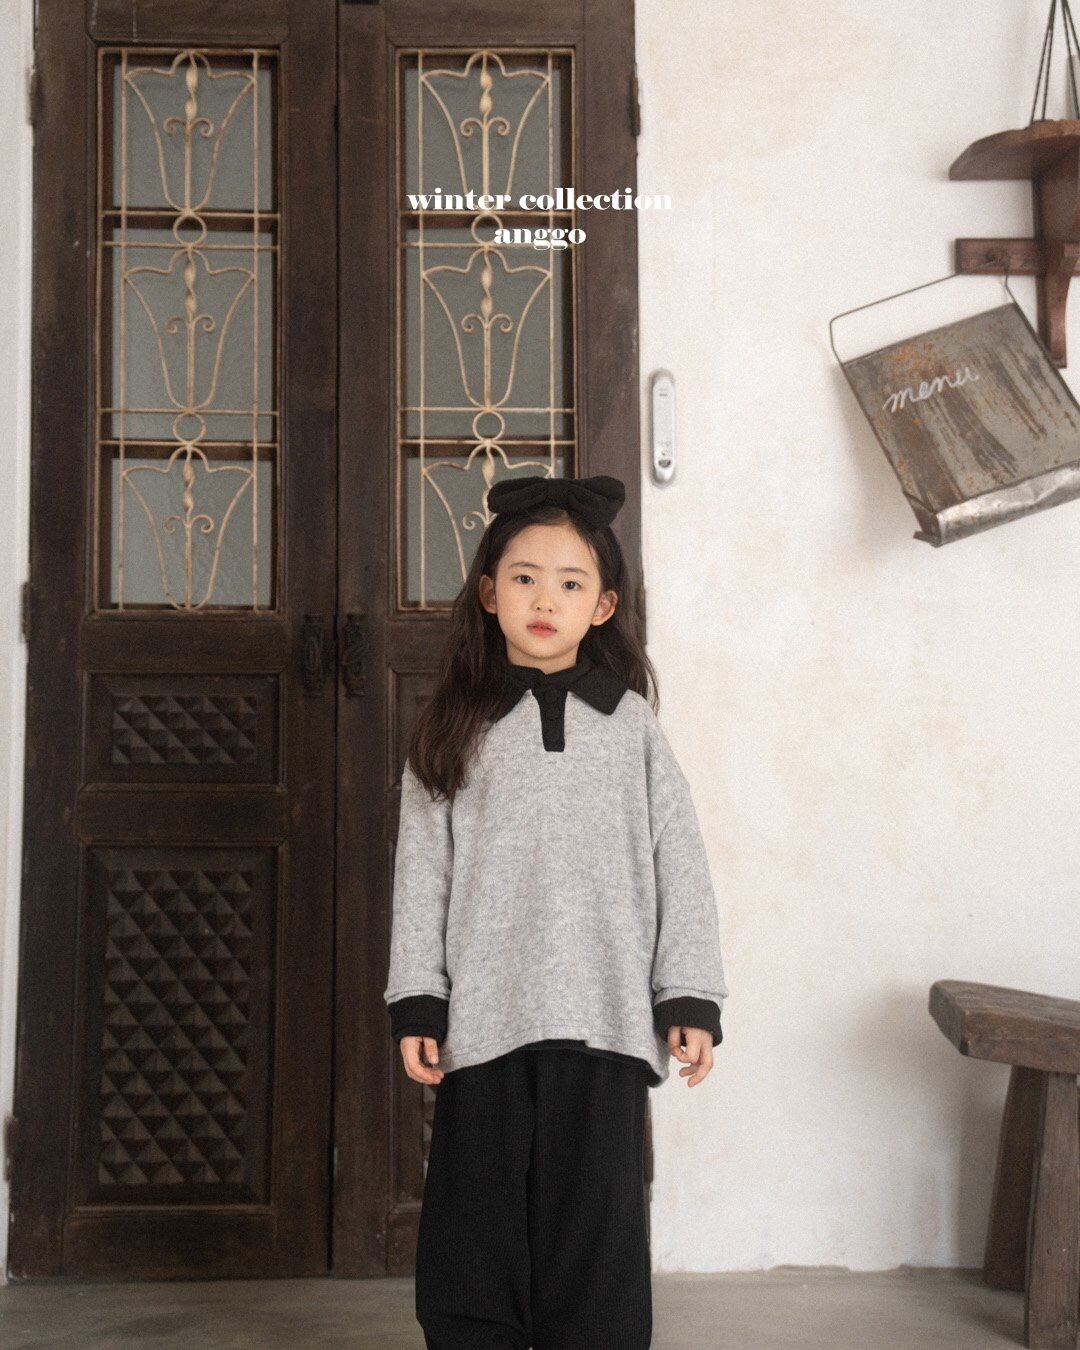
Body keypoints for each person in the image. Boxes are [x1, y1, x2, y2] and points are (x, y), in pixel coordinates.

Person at [383, 472, 730, 1350]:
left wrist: (689, 995)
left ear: (603, 606)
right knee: (474, 1231)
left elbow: (680, 863)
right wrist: (418, 999)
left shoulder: (633, 726)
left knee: (596, 1238)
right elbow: (421, 872)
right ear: (488, 593)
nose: (546, 600)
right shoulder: (452, 726)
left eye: (570, 583)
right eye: (525, 578)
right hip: (486, 1023)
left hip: (605, 1020)